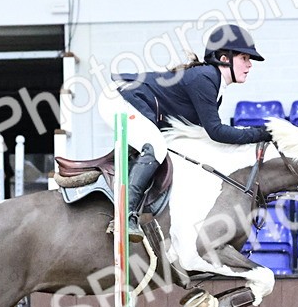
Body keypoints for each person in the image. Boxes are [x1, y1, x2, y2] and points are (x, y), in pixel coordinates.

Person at [98, 24, 272, 241]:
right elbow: (216, 132)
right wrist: (261, 134)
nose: (249, 65)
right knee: (156, 146)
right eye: (244, 58)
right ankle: (125, 216)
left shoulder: (215, 86)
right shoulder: (205, 78)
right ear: (225, 58)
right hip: (119, 99)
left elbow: (203, 136)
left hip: (136, 103)